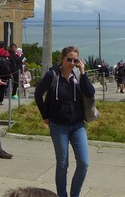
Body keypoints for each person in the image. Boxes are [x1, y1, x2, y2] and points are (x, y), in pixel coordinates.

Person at [34, 46, 95, 197]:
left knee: (84, 163)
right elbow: (37, 94)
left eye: (75, 60)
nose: (72, 63)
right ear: (63, 58)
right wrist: (45, 116)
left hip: (77, 125)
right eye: (69, 59)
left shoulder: (78, 75)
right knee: (62, 164)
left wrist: (83, 72)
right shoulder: (52, 75)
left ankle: (75, 194)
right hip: (58, 125)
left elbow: (90, 92)